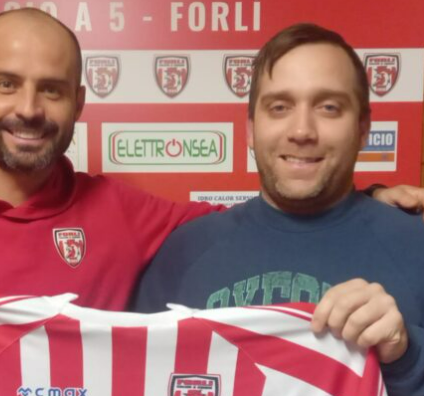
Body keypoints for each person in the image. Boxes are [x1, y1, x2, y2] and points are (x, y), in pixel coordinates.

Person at [0, 9, 421, 395]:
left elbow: (281, 215)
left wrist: (369, 203)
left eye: (52, 89)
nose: (29, 108)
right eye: (6, 83)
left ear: (78, 102)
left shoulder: (127, 214)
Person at [133, 23, 424, 396]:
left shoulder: (415, 246)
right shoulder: (182, 253)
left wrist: (406, 356)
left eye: (329, 107)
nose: (301, 131)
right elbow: (133, 377)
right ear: (251, 129)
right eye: (280, 107)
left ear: (363, 128)